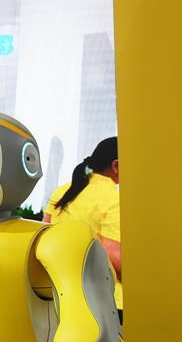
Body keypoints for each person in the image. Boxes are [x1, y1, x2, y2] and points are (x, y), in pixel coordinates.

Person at [43, 136, 122, 322]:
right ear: (116, 166)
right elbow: (115, 258)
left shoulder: (62, 192)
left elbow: (42, 235)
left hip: (61, 296)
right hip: (106, 304)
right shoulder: (112, 197)